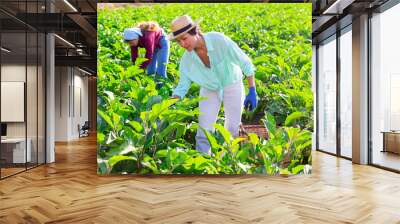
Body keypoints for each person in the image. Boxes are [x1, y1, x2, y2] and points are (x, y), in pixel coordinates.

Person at [169, 15, 258, 154]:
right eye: (178, 42)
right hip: (209, 89)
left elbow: (245, 63)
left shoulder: (219, 41)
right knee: (204, 130)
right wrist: (167, 105)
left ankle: (230, 161)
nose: (183, 44)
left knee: (232, 129)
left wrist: (252, 89)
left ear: (195, 31)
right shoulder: (187, 60)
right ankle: (203, 163)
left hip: (232, 84)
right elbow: (182, 86)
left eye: (184, 39)